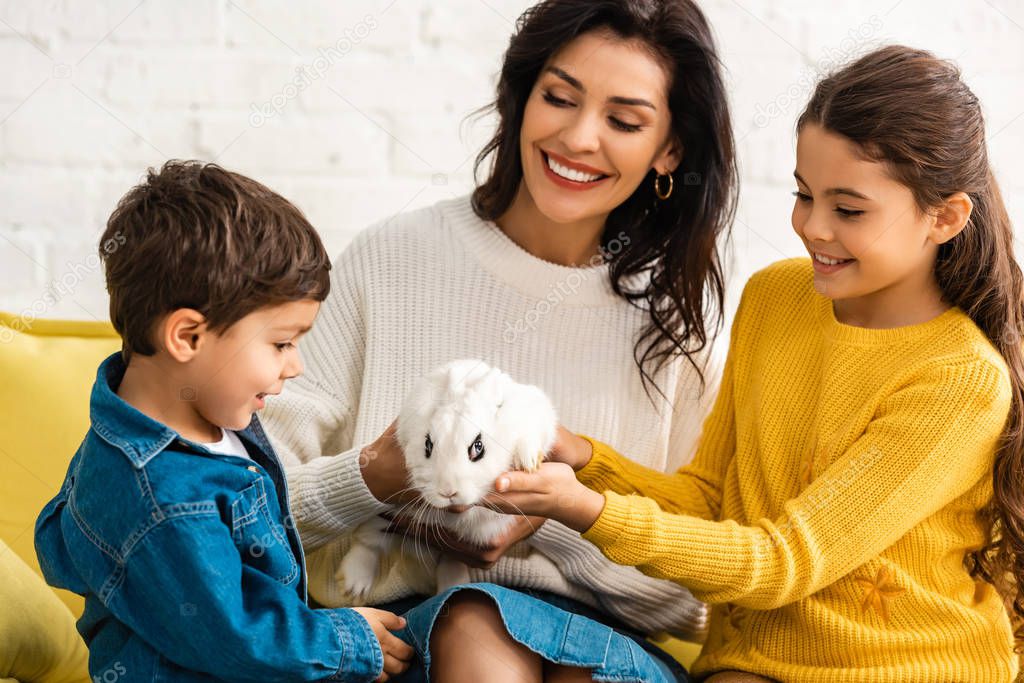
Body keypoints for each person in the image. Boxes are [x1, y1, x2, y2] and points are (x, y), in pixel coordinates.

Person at [487, 46, 1024, 682]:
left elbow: (781, 562)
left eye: (848, 210)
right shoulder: (775, 298)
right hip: (755, 661)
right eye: (804, 195)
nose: (813, 227)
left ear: (946, 217)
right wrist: (585, 460)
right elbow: (713, 500)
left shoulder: (958, 379)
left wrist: (586, 511)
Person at [260, 0, 738, 680]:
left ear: (670, 149)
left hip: (609, 649)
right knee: (475, 617)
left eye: (624, 121)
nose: (577, 137)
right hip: (413, 634)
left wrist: (559, 525)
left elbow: (700, 592)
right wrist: (374, 477)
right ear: (522, 98)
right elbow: (244, 515)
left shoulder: (678, 329)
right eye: (559, 98)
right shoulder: (391, 261)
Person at [34, 161, 415, 682]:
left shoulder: (200, 420)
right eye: (281, 343)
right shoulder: (161, 499)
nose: (295, 365)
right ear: (188, 337)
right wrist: (345, 641)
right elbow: (238, 638)